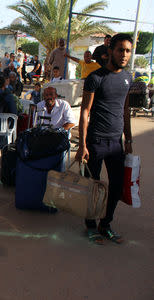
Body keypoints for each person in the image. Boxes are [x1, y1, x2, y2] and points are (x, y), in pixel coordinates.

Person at [76, 33, 133, 245]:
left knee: (117, 186)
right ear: (111, 51)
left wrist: (128, 139)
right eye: (120, 50)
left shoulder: (128, 78)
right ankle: (91, 226)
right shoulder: (95, 78)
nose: (124, 54)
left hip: (116, 143)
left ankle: (106, 224)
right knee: (93, 187)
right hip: (96, 141)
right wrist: (82, 144)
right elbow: (84, 112)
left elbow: (126, 109)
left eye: (128, 50)